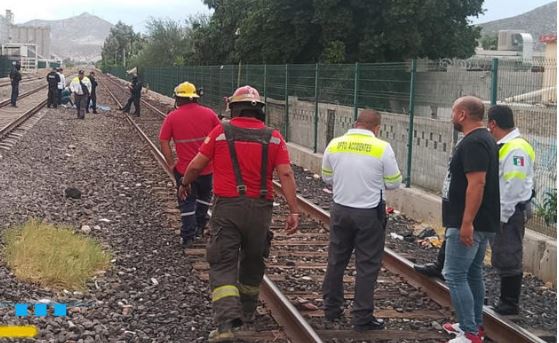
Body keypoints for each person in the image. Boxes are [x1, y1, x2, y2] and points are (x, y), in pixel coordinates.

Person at [178, 85, 300, 342]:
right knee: (253, 262)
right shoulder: (274, 137)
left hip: (228, 208)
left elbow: (196, 165)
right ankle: (246, 315)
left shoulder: (221, 132)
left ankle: (225, 326)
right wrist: (294, 210)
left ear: (233, 108)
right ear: (260, 111)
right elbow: (286, 174)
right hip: (260, 210)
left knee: (222, 263)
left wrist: (185, 182)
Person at [415, 105, 536, 320]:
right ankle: (442, 266)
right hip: (493, 210)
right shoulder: (498, 144)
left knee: (506, 255)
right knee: (475, 260)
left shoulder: (516, 148)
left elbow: (513, 186)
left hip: (506, 211)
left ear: (492, 124)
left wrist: (501, 216)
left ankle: (509, 303)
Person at [321, 109, 402, 332]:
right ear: (377, 128)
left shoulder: (335, 144)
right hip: (369, 213)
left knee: (336, 259)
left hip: (340, 209)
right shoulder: (382, 147)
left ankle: (331, 307)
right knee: (367, 265)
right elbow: (394, 182)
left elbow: (327, 177)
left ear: (356, 124)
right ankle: (362, 317)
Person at [440, 96, 499, 343]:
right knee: (472, 273)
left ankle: (470, 333)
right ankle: (474, 325)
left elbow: (477, 183)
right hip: (483, 221)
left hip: (469, 222)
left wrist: (466, 222)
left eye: (454, 112)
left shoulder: (473, 142)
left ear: (462, 115)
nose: (452, 117)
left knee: (454, 274)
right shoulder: (486, 139)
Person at [159, 82, 220, 248]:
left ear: (178, 98)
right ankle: (200, 226)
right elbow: (221, 137)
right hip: (207, 169)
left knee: (187, 201)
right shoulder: (209, 114)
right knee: (204, 197)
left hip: (185, 170)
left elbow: (164, 140)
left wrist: (171, 164)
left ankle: (188, 236)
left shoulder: (172, 116)